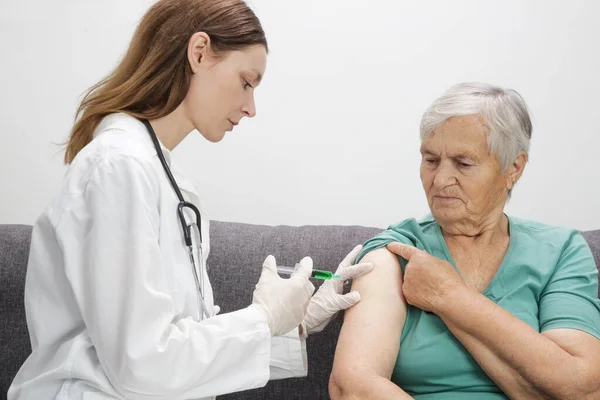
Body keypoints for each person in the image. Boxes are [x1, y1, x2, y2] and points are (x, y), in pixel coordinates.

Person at [8, 1, 373, 399]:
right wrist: (263, 318)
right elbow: (141, 364)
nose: (251, 108)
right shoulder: (117, 167)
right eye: (247, 82)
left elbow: (179, 354)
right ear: (199, 52)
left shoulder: (166, 180)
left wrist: (293, 323)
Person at [329, 82, 600, 399]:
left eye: (464, 163)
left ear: (514, 168)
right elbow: (353, 387)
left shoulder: (560, 251)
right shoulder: (393, 251)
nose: (440, 180)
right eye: (431, 160)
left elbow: (583, 390)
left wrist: (449, 296)